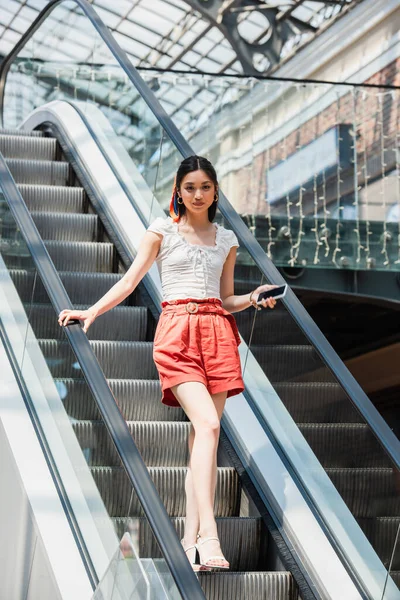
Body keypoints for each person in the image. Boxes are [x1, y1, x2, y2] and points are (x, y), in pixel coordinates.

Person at [58, 155, 277, 572]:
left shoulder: (226, 239)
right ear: (177, 190)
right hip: (177, 331)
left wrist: (253, 298)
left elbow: (225, 297)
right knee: (210, 427)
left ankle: (188, 544)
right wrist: (90, 312)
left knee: (203, 442)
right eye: (190, 187)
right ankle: (210, 536)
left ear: (216, 191)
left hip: (217, 332)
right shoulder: (162, 230)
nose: (197, 194)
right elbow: (130, 281)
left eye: (205, 187)